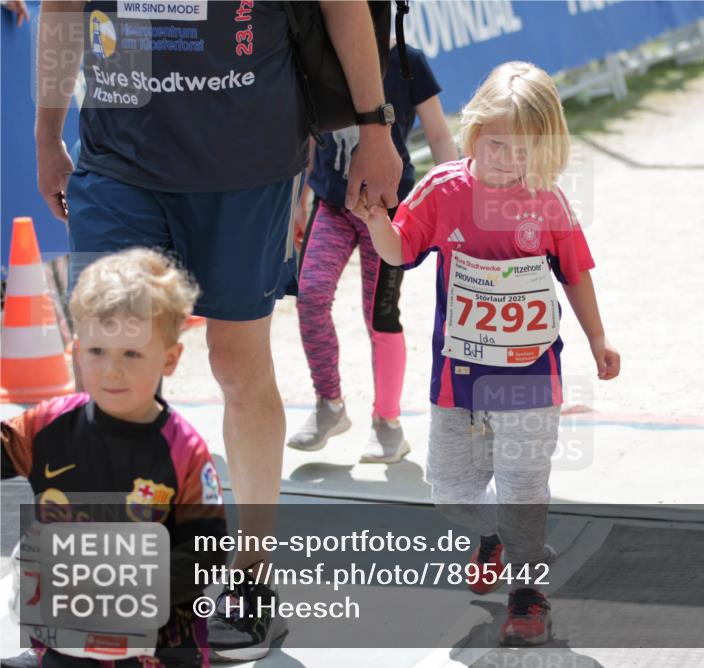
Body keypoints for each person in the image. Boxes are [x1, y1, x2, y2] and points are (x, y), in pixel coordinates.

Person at [34, 1, 402, 659]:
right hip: (119, 160)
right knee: (113, 355)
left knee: (236, 361)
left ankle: (252, 580)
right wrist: (46, 134)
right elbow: (61, 9)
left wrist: (374, 129)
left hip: (247, 163)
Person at [352, 61, 621, 646]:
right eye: (497, 145)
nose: (507, 160)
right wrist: (377, 220)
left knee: (524, 484)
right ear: (474, 133)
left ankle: (527, 590)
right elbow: (399, 251)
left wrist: (598, 338)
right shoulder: (444, 189)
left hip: (530, 375)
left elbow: (574, 273)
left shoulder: (547, 202)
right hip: (459, 379)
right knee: (449, 492)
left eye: (524, 151)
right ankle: (493, 533)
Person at [1, 249, 227, 667]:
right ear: (77, 351)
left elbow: (207, 553)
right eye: (98, 351)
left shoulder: (184, 451)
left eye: (132, 354)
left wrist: (124, 584)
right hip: (66, 641)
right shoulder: (46, 427)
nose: (111, 371)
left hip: (158, 646)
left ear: (170, 359)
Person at [289, 40, 458, 462]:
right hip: (332, 204)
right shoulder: (323, 57)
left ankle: (388, 423)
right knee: (309, 295)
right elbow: (312, 136)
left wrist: (454, 200)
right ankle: (329, 404)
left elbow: (438, 133)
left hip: (385, 211)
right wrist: (299, 199)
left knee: (379, 315)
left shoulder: (409, 62)